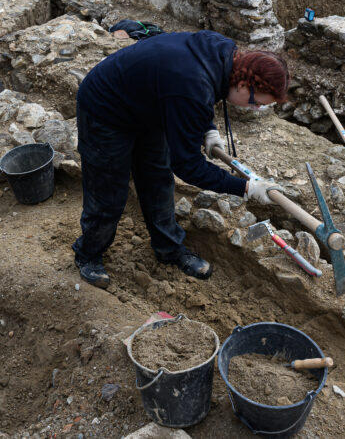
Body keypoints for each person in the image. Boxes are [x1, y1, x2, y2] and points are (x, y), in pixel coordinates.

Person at [71, 31, 290, 289]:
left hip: (149, 105)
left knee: (158, 180)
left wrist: (207, 129)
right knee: (109, 193)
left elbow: (199, 93)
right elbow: (188, 165)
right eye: (255, 102)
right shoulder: (193, 85)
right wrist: (245, 187)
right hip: (105, 110)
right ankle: (88, 253)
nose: (254, 108)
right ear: (243, 84)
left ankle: (169, 248)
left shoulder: (225, 54)